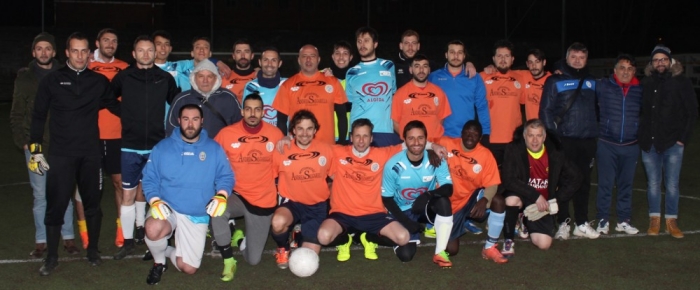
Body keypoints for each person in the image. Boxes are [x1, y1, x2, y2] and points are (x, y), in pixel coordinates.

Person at [29, 32, 121, 275]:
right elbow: (38, 115)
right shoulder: (52, 80)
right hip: (61, 154)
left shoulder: (98, 81)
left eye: (84, 51)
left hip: (91, 154)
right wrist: (35, 149)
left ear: (89, 54)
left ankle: (92, 251)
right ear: (67, 53)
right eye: (75, 51)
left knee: (93, 205)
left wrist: (145, 120)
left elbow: (116, 107)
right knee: (55, 205)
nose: (80, 56)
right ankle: (51, 257)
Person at [142, 104, 234, 285]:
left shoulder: (213, 148)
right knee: (153, 229)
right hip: (167, 206)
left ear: (202, 121)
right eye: (185, 119)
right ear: (179, 121)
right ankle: (159, 262)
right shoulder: (163, 147)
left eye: (195, 119)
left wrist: (221, 195)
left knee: (188, 268)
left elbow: (226, 175)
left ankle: (166, 250)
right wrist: (154, 201)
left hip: (196, 212)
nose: (190, 124)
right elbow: (149, 178)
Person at [11, 32, 79, 258]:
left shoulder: (65, 74)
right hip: (36, 148)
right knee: (40, 195)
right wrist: (23, 143)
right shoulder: (25, 78)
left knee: (63, 194)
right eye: (39, 48)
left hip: (62, 146)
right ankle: (41, 240)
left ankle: (68, 237)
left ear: (54, 51)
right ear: (33, 52)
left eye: (47, 48)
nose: (43, 52)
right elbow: (16, 112)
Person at [112, 35, 179, 260]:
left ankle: (155, 239)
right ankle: (128, 241)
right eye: (141, 50)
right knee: (128, 194)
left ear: (155, 52)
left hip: (157, 146)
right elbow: (108, 98)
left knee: (156, 194)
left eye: (150, 50)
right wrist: (126, 114)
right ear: (134, 54)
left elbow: (177, 102)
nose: (146, 54)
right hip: (130, 146)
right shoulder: (124, 77)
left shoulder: (165, 78)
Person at [211, 93, 284, 281]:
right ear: (242, 111)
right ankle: (228, 260)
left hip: (263, 199)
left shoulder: (275, 135)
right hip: (236, 194)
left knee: (254, 260)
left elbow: (285, 165)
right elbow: (212, 159)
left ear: (263, 112)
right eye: (249, 109)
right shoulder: (227, 134)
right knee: (217, 209)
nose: (253, 113)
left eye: (257, 109)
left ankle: (240, 239)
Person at [316, 119, 410, 262]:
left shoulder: (382, 154)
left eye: (365, 136)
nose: (361, 140)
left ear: (371, 138)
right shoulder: (337, 152)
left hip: (374, 214)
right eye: (357, 136)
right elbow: (312, 146)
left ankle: (368, 237)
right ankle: (344, 240)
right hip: (342, 213)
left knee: (403, 238)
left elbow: (411, 144)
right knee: (323, 237)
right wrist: (287, 140)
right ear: (351, 137)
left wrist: (433, 146)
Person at [540, 42, 599, 240]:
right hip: (563, 140)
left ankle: (581, 222)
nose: (577, 60)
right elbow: (545, 111)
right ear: (566, 58)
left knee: (584, 182)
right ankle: (563, 222)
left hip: (587, 140)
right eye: (573, 56)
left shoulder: (592, 81)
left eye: (581, 57)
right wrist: (553, 138)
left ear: (586, 59)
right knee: (562, 182)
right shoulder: (554, 80)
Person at [639, 45, 698, 238]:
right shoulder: (646, 82)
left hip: (673, 143)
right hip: (650, 144)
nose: (660, 63)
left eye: (663, 59)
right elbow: (642, 112)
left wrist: (683, 139)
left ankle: (671, 220)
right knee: (653, 184)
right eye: (656, 60)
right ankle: (654, 219)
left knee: (672, 184)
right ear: (652, 63)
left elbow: (692, 112)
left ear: (670, 61)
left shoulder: (681, 82)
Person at [499, 119, 581, 255]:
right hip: (522, 194)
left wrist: (555, 200)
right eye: (531, 135)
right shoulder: (513, 149)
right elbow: (508, 180)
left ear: (544, 137)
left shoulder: (555, 153)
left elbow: (576, 177)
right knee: (511, 200)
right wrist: (535, 195)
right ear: (525, 136)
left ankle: (524, 220)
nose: (535, 140)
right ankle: (509, 240)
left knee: (544, 244)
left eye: (538, 135)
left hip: (542, 203)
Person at [381, 120, 454, 268]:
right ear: (405, 140)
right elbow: (387, 199)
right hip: (401, 210)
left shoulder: (435, 159)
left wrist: (427, 196)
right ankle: (376, 235)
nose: (416, 142)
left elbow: (448, 188)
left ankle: (440, 253)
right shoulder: (393, 165)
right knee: (406, 256)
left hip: (423, 206)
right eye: (411, 138)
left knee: (444, 202)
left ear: (426, 140)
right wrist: (407, 223)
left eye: (420, 138)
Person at [270, 110, 334, 269]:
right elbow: (271, 177)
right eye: (300, 128)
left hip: (317, 206)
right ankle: (283, 248)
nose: (304, 133)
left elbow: (336, 179)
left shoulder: (326, 150)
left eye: (309, 128)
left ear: (315, 130)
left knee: (308, 258)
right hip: (292, 203)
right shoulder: (282, 150)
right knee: (278, 223)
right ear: (293, 131)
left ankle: (298, 236)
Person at [440, 121, 507, 264]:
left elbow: (493, 183)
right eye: (468, 132)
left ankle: (489, 247)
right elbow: (421, 142)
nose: (470, 137)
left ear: (480, 137)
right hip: (448, 204)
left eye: (475, 134)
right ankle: (447, 223)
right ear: (461, 133)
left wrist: (485, 200)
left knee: (498, 201)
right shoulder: (446, 143)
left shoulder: (486, 155)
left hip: (470, 198)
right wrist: (431, 149)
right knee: (452, 250)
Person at [89, 28, 130, 248]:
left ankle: (121, 229)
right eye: (106, 40)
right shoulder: (85, 65)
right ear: (97, 43)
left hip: (117, 135)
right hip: (89, 136)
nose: (110, 44)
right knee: (85, 186)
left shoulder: (124, 68)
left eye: (114, 41)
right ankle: (85, 232)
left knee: (119, 184)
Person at [594, 54, 643, 235]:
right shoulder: (604, 86)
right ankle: (603, 219)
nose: (625, 72)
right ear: (614, 70)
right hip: (607, 143)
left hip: (631, 145)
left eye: (630, 69)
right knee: (605, 184)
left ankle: (623, 220)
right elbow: (581, 82)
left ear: (634, 72)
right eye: (622, 68)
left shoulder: (640, 89)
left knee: (626, 185)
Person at [272, 45, 349, 145]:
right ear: (299, 60)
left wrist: (342, 143)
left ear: (318, 59)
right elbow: (281, 121)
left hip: (327, 147)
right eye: (304, 56)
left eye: (312, 56)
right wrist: (283, 140)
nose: (308, 59)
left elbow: (342, 116)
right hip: (297, 148)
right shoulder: (287, 86)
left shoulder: (332, 82)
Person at [345, 27, 399, 147]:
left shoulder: (388, 66)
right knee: (359, 166)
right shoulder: (352, 72)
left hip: (384, 129)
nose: (362, 45)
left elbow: (393, 94)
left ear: (375, 44)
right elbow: (349, 101)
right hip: (359, 132)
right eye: (359, 41)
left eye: (366, 40)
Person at [428, 40, 490, 140]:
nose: (456, 56)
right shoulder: (434, 77)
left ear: (464, 56)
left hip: (467, 137)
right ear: (446, 55)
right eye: (452, 52)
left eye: (459, 52)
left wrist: (486, 132)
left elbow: (482, 106)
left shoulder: (474, 77)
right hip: (440, 137)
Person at [167, 59, 242, 137]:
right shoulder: (182, 99)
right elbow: (171, 130)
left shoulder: (228, 97)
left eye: (209, 76)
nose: (205, 81)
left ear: (216, 78)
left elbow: (240, 126)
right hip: (189, 148)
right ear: (194, 77)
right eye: (201, 76)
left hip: (220, 147)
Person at [479, 39, 525, 166]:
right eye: (499, 56)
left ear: (512, 59)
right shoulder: (482, 77)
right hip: (489, 138)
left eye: (507, 56)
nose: (503, 59)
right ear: (493, 59)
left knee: (512, 179)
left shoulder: (521, 78)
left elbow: (541, 75)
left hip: (514, 139)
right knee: (491, 180)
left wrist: (558, 71)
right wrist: (470, 64)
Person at [392, 54, 451, 143]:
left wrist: (433, 136)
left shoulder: (439, 92)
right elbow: (395, 122)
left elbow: (441, 118)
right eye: (417, 66)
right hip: (410, 146)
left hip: (434, 144)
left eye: (425, 66)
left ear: (429, 70)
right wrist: (409, 139)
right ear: (411, 70)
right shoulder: (400, 94)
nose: (421, 70)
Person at [243, 47, 287, 126]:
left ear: (279, 63)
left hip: (283, 137)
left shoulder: (287, 84)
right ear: (260, 62)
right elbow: (245, 115)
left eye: (273, 60)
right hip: (259, 136)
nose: (269, 64)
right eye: (266, 60)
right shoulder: (250, 86)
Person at [221, 39, 257, 103]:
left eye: (246, 51)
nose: (243, 55)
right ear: (233, 56)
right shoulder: (223, 77)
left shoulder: (260, 77)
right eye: (238, 52)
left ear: (252, 56)